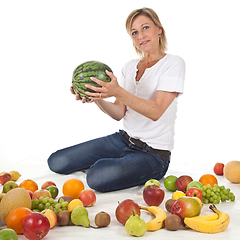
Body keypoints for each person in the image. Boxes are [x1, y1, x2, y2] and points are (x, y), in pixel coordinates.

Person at [47, 7, 185, 192]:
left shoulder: (173, 63)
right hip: (123, 140)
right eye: (134, 32)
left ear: (158, 29)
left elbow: (156, 111)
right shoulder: (130, 67)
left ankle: (122, 166)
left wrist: (117, 91)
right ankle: (119, 164)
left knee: (95, 177)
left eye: (145, 28)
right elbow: (119, 113)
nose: (140, 36)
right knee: (57, 161)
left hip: (153, 155)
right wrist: (97, 96)